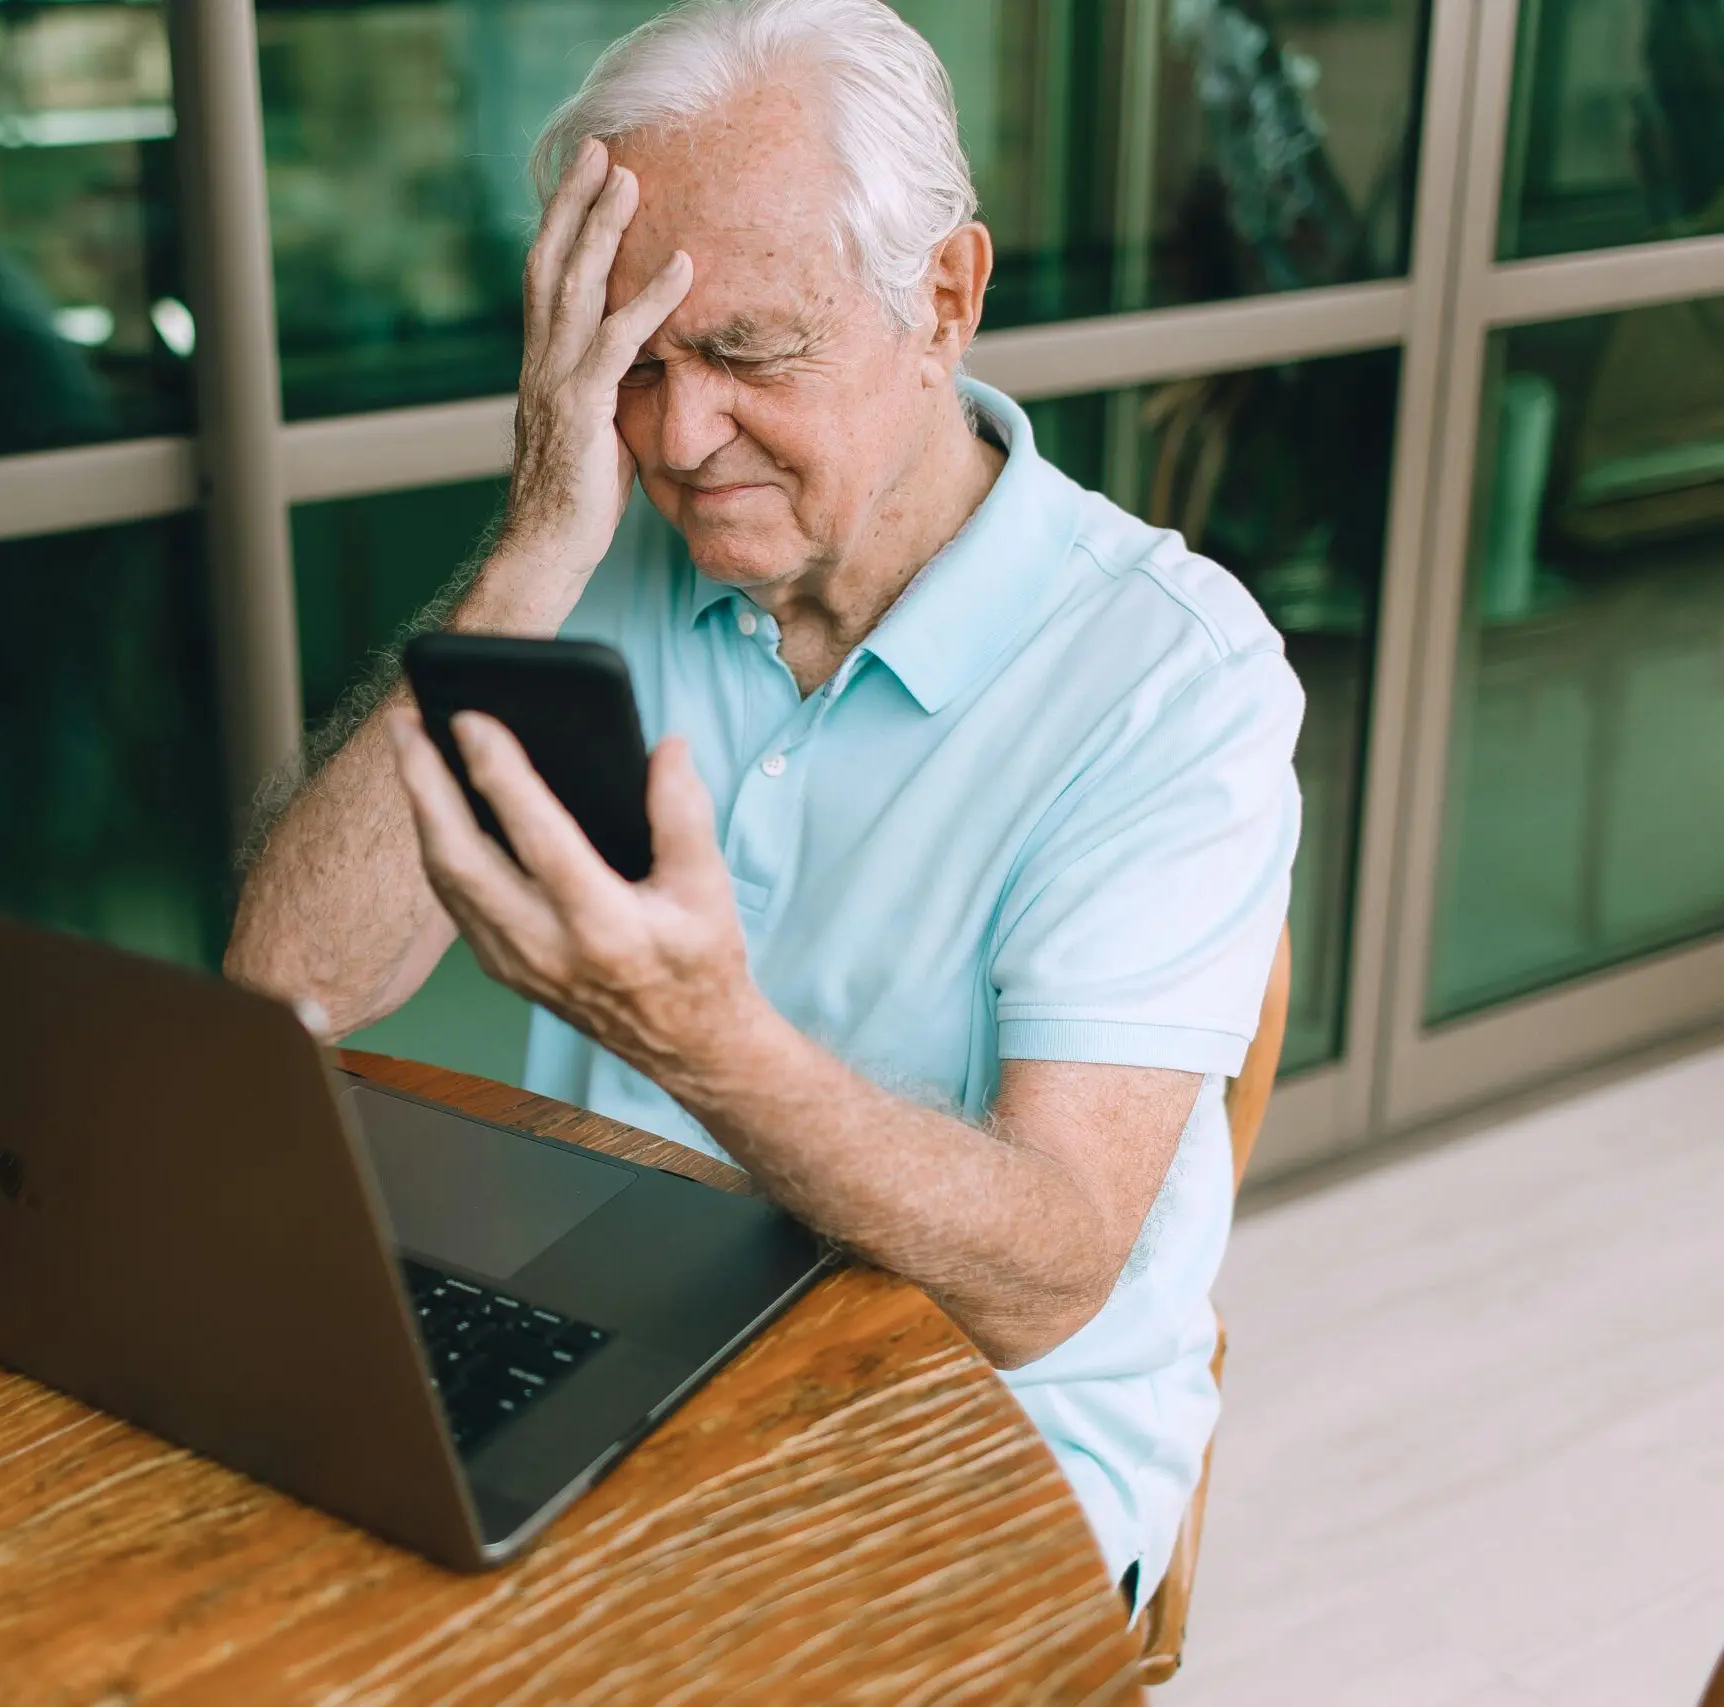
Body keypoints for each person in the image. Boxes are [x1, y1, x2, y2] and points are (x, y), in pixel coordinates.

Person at [226, 0, 1301, 1610]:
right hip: (604, 1335)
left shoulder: (1172, 676)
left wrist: (701, 1039)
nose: (675, 434)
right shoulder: (594, 557)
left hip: (978, 1437)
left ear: (943, 299)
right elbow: (286, 981)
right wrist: (531, 540)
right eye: (630, 365)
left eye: (743, 351)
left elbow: (1052, 1274)